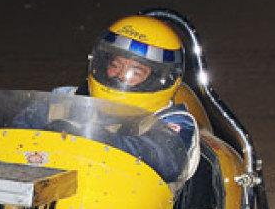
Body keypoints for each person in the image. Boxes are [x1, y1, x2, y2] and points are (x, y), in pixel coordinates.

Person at [35, 15, 200, 184]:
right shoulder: (66, 101)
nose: (120, 76)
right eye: (115, 65)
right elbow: (18, 128)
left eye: (135, 71)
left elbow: (165, 159)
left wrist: (92, 139)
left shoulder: (174, 120)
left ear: (159, 79)